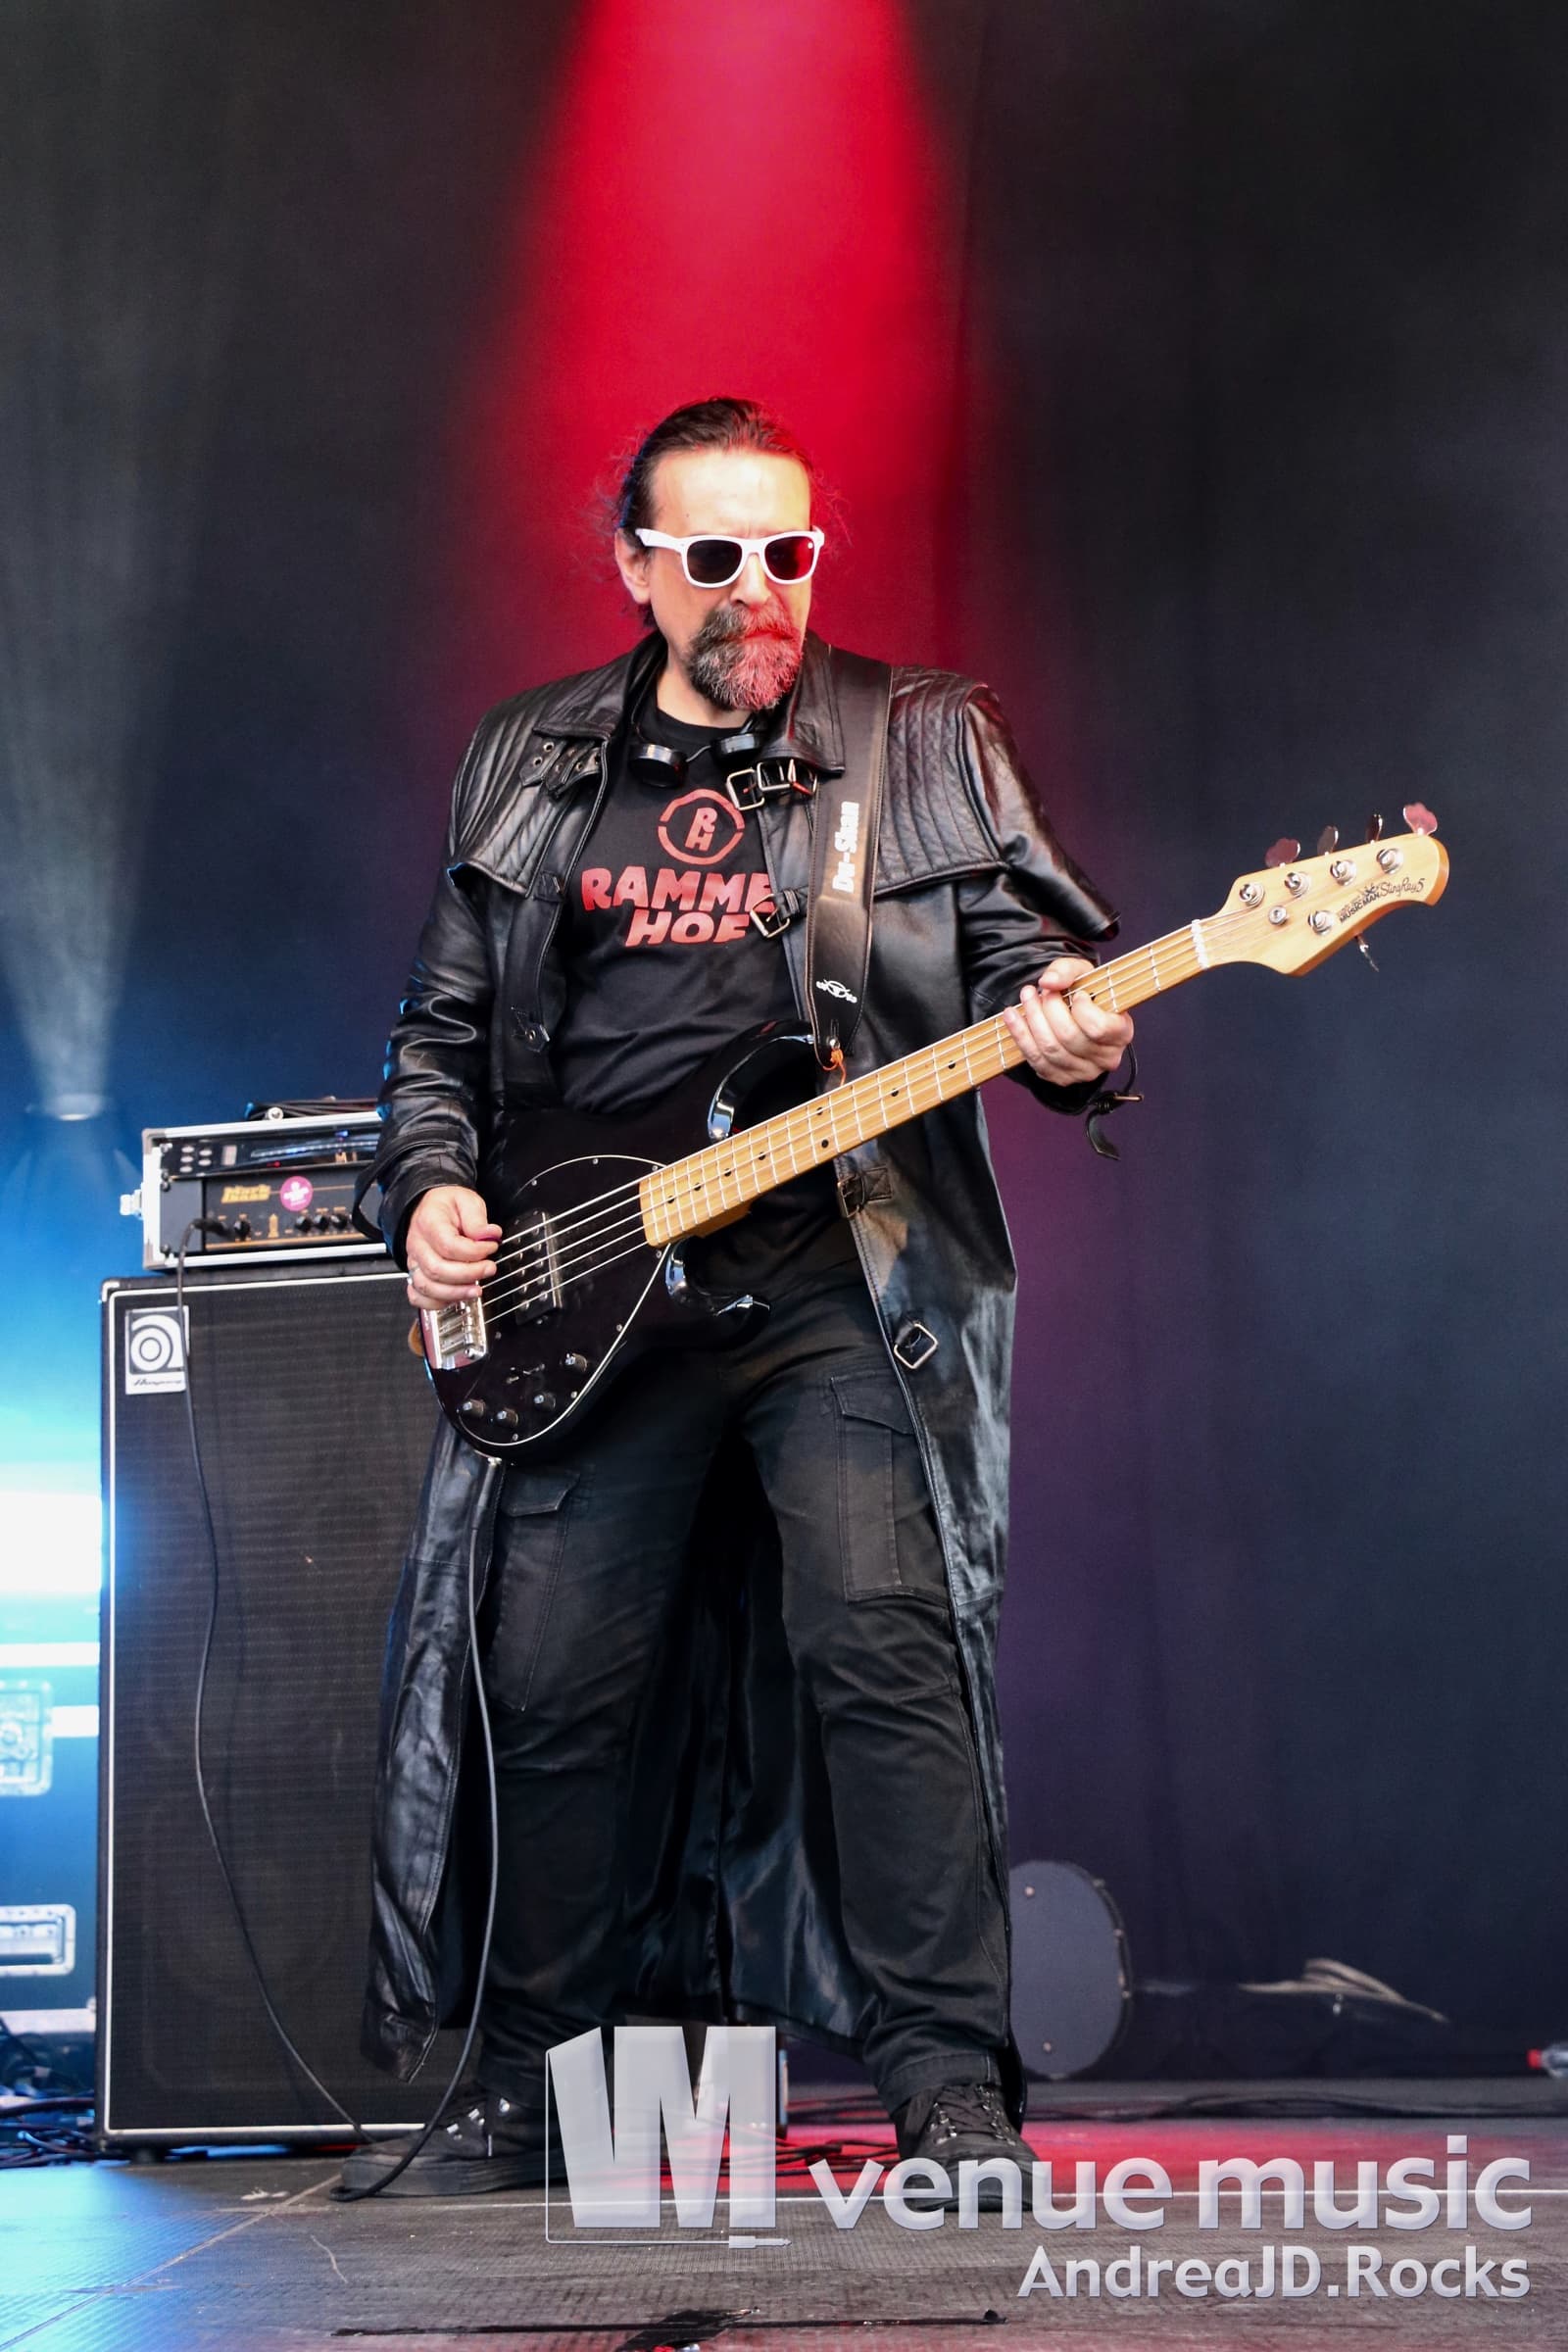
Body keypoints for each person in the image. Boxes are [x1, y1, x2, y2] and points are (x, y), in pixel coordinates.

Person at [343, 397, 1131, 2196]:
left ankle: (949, 2081)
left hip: (839, 1279)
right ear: (635, 568)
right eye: (715, 555)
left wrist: (1073, 1035)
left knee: (883, 1650)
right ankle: (543, 2079)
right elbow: (440, 1033)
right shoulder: (532, 757)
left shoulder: (915, 735)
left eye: (789, 550)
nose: (759, 586)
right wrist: (434, 1186)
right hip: (592, 1290)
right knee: (553, 1685)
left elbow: (1024, 961)